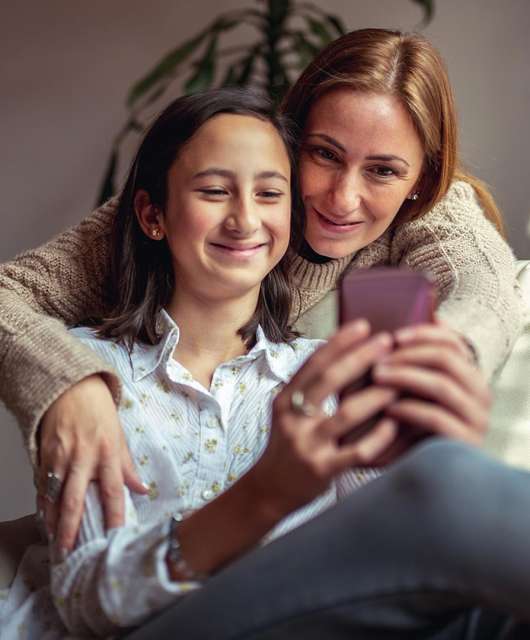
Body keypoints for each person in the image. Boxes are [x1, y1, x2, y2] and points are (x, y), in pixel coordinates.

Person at [1, 87, 529, 640]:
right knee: (449, 484)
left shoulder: (321, 373)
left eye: (270, 193)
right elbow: (91, 604)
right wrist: (267, 494)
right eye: (213, 191)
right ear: (152, 215)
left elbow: (406, 538)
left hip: (319, 620)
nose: (244, 219)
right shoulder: (84, 372)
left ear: (292, 216)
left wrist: (430, 432)